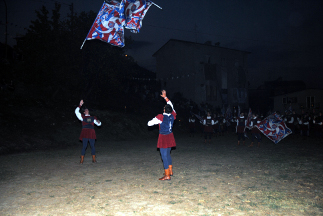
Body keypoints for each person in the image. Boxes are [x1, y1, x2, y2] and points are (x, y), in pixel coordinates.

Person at [148, 90, 177, 181]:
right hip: (170, 136)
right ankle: (170, 171)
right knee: (168, 154)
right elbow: (171, 105)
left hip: (164, 137)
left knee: (164, 156)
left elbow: (149, 124)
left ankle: (167, 175)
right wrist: (165, 97)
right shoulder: (173, 115)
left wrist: (156, 121)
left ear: (164, 110)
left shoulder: (160, 117)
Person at [75, 100, 101, 164]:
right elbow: (76, 112)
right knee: (84, 146)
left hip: (91, 132)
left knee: (92, 146)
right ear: (84, 112)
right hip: (85, 132)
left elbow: (99, 124)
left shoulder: (93, 118)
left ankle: (94, 159)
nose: (87, 110)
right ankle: (81, 160)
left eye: (87, 110)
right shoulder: (82, 117)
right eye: (85, 110)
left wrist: (98, 122)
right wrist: (80, 104)